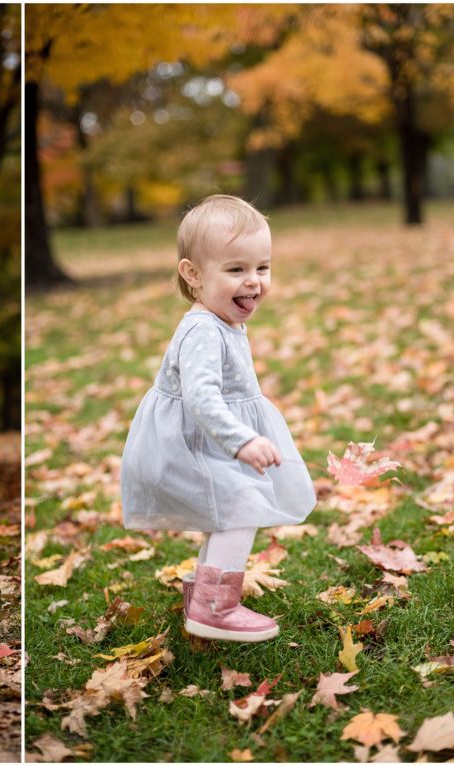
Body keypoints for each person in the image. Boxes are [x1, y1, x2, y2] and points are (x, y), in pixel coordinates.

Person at [121, 194, 316, 642]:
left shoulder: (222, 321)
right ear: (193, 274)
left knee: (230, 509)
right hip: (188, 443)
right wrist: (241, 441)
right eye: (236, 270)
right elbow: (201, 398)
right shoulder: (204, 330)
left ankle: (203, 596)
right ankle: (215, 606)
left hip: (201, 440)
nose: (253, 282)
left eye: (262, 268)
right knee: (240, 505)